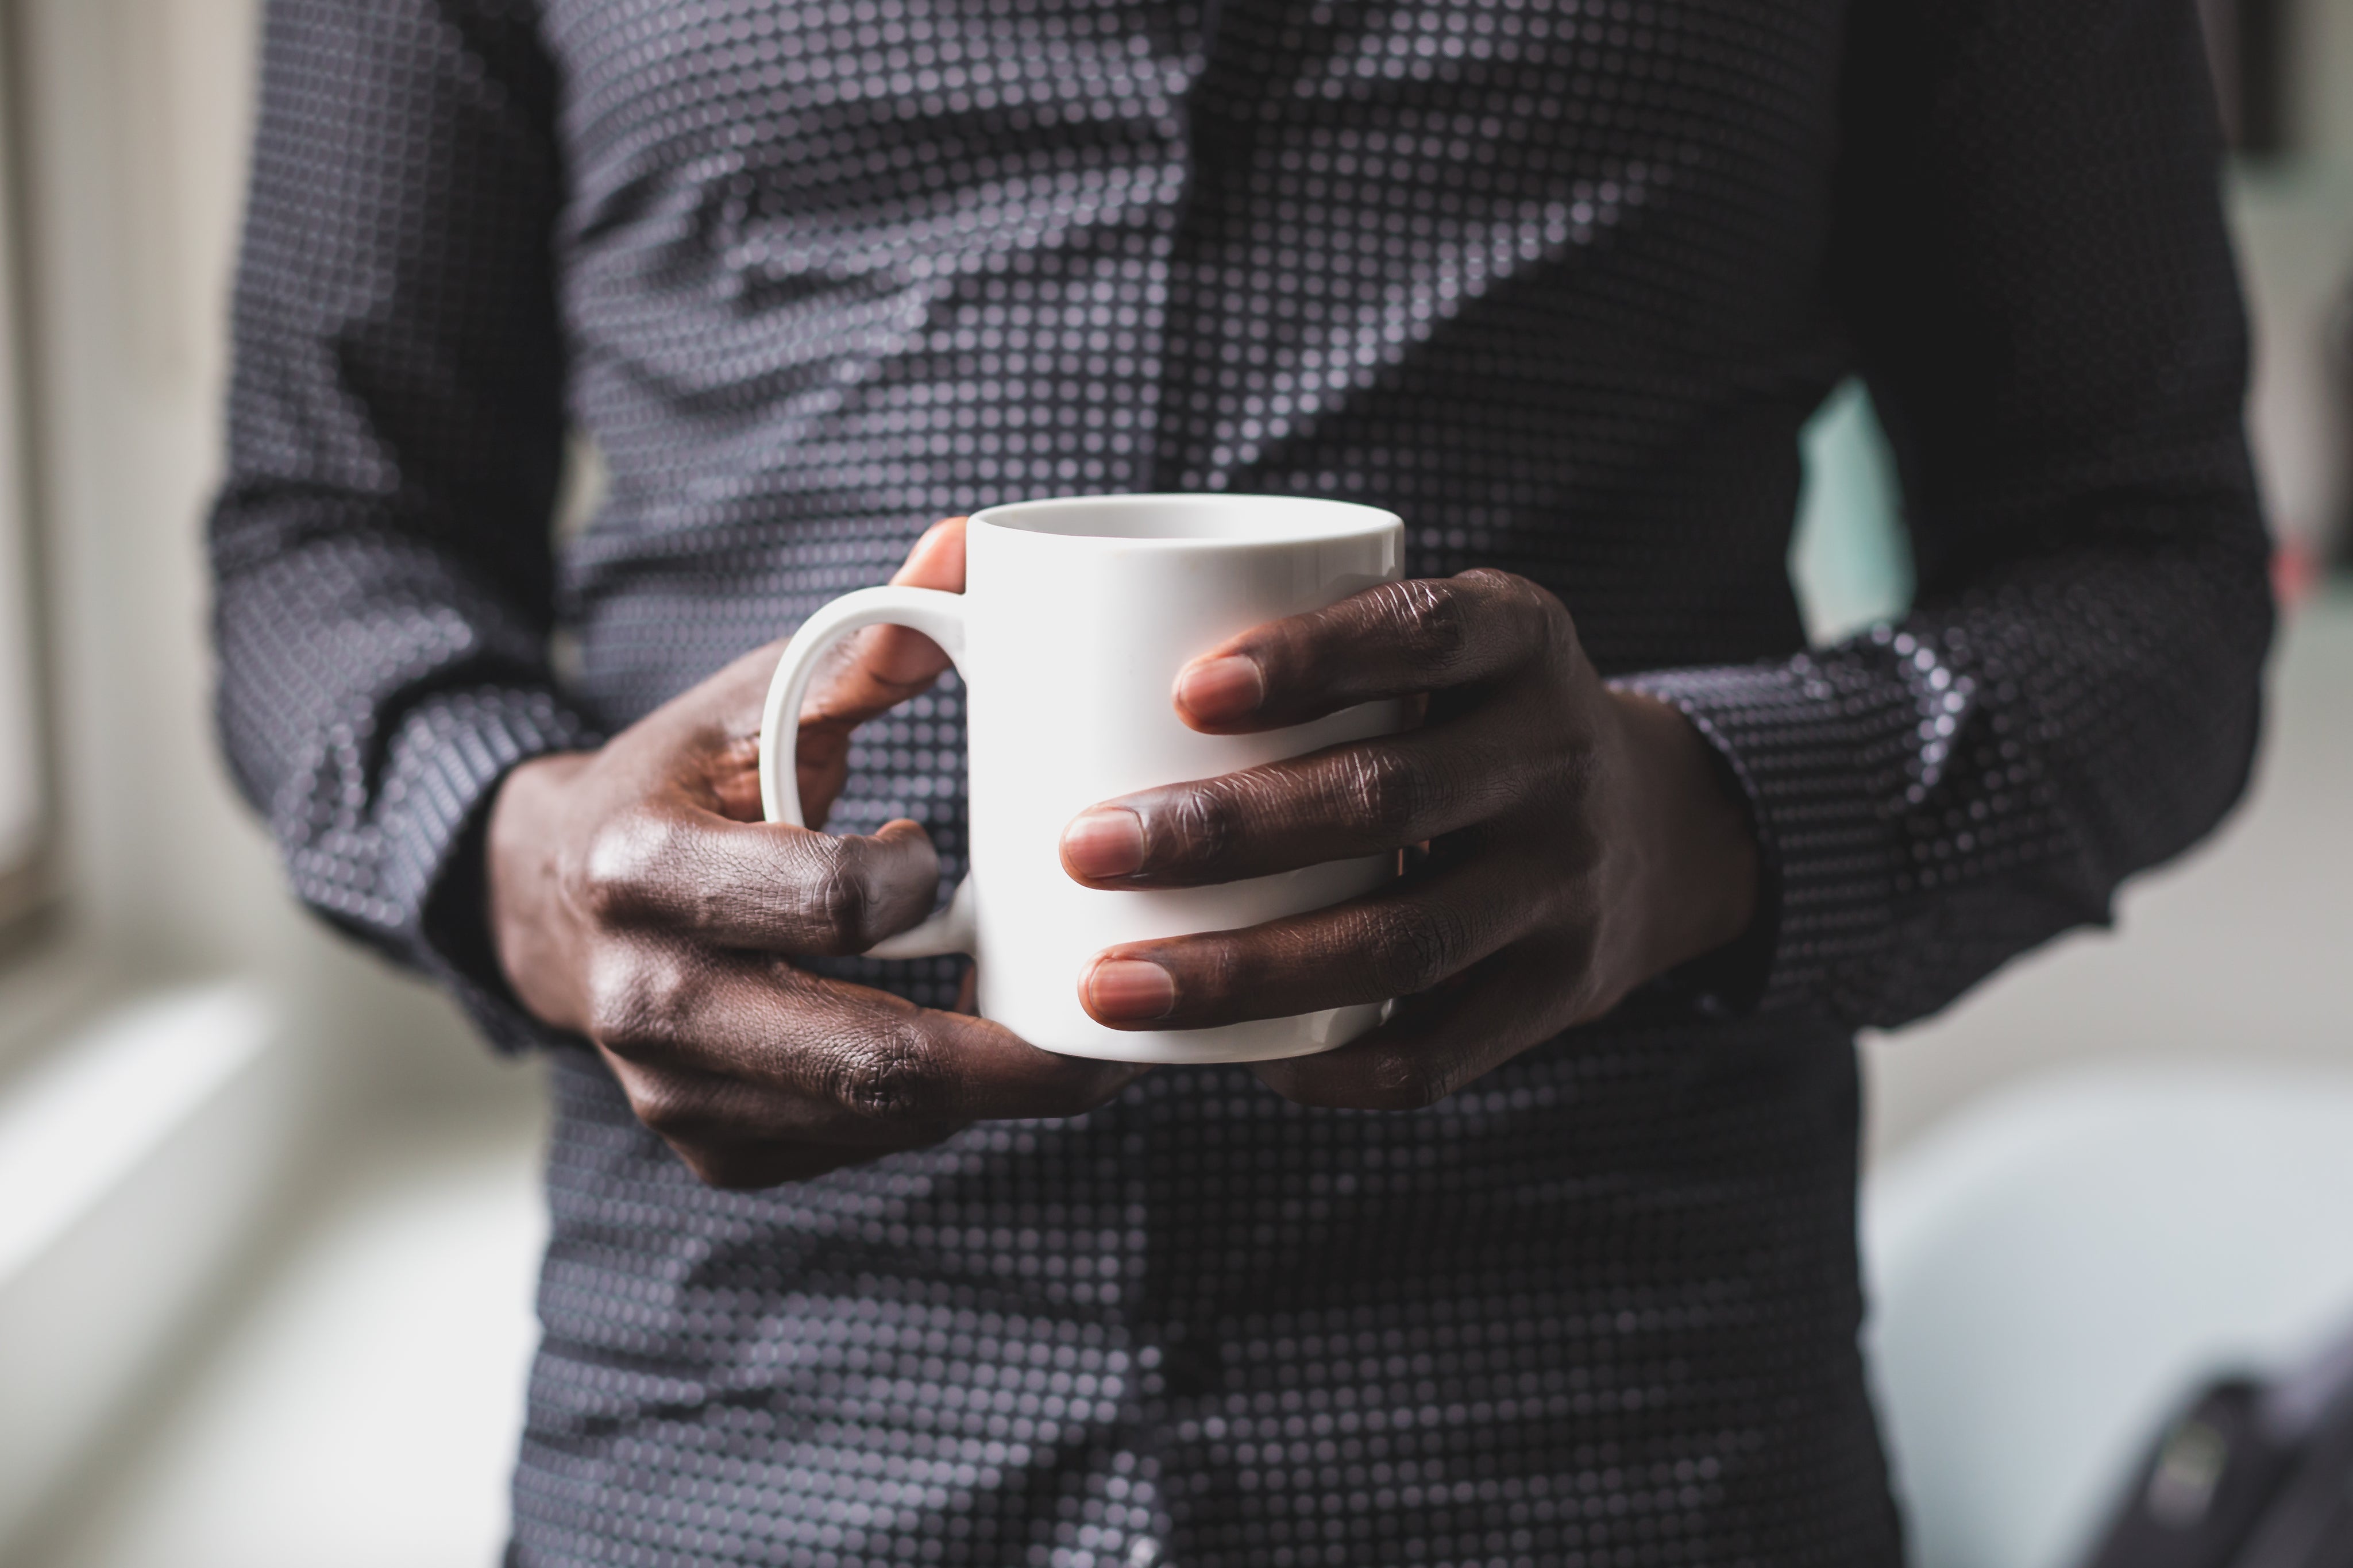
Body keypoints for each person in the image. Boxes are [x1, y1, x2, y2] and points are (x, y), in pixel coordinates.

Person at [207, 0, 2272, 1562]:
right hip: (742, 1427)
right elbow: (327, 528)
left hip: (1610, 1430)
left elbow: (2147, 569)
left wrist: (1697, 818)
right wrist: (523, 856)